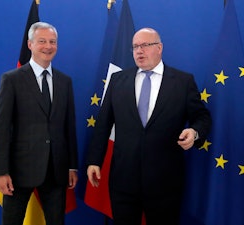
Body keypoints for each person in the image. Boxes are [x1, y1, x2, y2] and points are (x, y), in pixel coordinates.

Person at [86, 28, 212, 225]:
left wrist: (194, 132)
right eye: (135, 46)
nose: (139, 51)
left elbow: (202, 117)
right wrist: (94, 160)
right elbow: (103, 124)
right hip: (124, 180)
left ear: (159, 48)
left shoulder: (182, 82)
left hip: (165, 181)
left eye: (145, 45)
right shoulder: (118, 80)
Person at [0, 22, 78, 225]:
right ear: (30, 44)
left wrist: (72, 166)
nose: (48, 46)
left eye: (52, 42)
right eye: (42, 41)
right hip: (19, 171)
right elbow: (1, 129)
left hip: (56, 171)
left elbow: (69, 127)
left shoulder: (64, 81)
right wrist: (1, 172)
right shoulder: (12, 80)